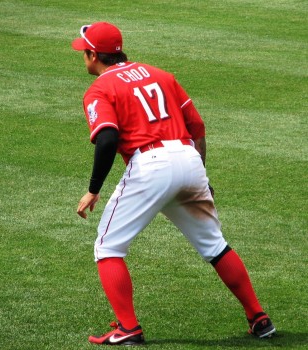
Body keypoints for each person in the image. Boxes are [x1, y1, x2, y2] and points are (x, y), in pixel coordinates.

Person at [72, 22, 276, 346]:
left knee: (108, 247)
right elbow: (197, 126)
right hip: (189, 157)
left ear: (94, 54)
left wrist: (94, 188)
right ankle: (259, 318)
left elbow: (108, 138)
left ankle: (128, 329)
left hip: (150, 166)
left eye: (83, 53)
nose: (83, 58)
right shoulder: (161, 75)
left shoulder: (99, 89)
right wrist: (201, 178)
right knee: (214, 245)